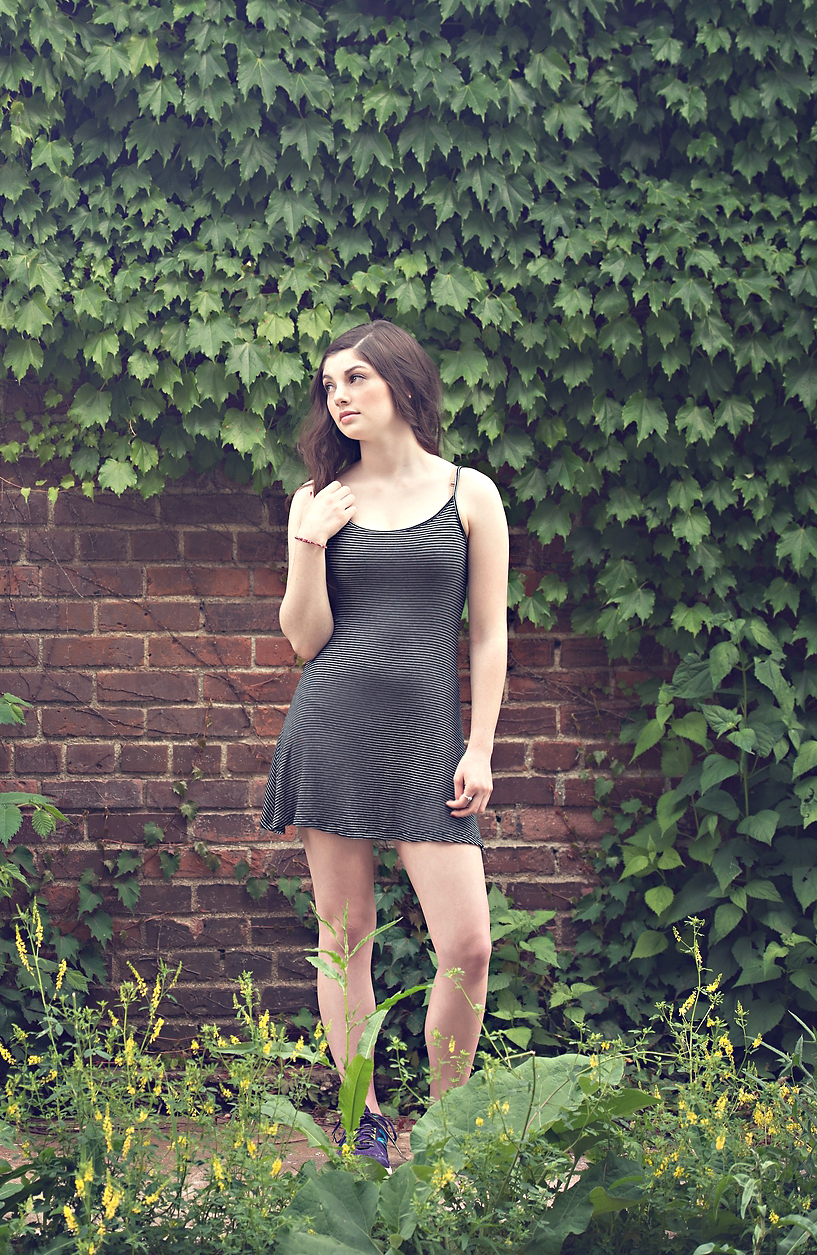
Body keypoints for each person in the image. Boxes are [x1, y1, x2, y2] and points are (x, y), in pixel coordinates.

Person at [260, 319, 509, 1169]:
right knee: (347, 938)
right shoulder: (320, 500)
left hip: (427, 746)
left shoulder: (469, 493)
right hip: (332, 731)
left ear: (401, 383)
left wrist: (479, 747)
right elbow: (304, 639)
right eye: (330, 386)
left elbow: (487, 635)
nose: (340, 397)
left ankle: (445, 1125)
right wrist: (310, 542)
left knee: (468, 946)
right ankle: (364, 1124)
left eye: (356, 379)